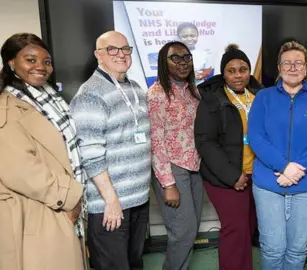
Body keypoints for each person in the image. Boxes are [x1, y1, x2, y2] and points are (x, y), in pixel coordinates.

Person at [0, 33, 85, 270]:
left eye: (46, 62)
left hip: (60, 205)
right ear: (11, 63)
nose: (41, 67)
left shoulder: (48, 97)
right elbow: (20, 170)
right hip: (38, 210)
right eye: (31, 60)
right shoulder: (6, 107)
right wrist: (69, 198)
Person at [248, 41, 307, 269]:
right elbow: (256, 137)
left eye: (298, 63)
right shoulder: (263, 98)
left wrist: (297, 169)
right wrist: (284, 166)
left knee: (297, 251)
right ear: (279, 67)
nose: (293, 67)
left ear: (306, 68)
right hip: (269, 184)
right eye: (287, 63)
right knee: (273, 249)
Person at [70, 31, 151, 270]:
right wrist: (110, 199)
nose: (121, 54)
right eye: (112, 49)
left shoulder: (134, 88)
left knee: (134, 263)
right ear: (98, 55)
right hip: (110, 204)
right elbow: (89, 153)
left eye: (125, 49)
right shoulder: (91, 93)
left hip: (138, 199)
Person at [194, 44, 262, 270]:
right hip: (226, 177)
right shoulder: (212, 100)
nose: (238, 75)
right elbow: (206, 143)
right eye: (231, 70)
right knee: (235, 229)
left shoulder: (260, 96)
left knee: (248, 229)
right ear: (224, 74)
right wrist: (233, 175)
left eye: (243, 69)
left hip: (257, 174)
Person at [148, 41, 202, 270]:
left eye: (186, 57)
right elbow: (156, 140)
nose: (183, 62)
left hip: (195, 167)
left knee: (190, 230)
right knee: (183, 232)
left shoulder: (193, 91)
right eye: (175, 58)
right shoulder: (157, 94)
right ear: (164, 62)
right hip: (172, 168)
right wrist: (168, 183)